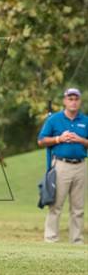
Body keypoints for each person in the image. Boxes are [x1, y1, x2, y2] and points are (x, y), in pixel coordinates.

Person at [37, 88, 88, 244]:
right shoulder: (54, 120)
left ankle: (77, 240)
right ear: (65, 101)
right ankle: (51, 238)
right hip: (61, 165)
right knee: (56, 205)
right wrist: (59, 138)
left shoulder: (85, 121)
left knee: (78, 208)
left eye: (76, 99)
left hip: (80, 166)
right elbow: (41, 141)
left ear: (79, 101)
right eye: (70, 98)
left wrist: (81, 140)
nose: (73, 101)